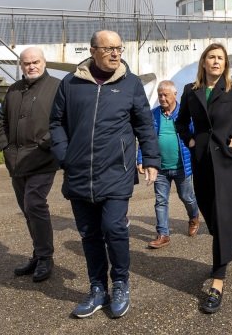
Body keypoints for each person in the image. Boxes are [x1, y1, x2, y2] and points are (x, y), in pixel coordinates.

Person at [49, 30, 159, 320]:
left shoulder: (131, 84)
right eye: (108, 49)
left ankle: (120, 283)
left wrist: (151, 159)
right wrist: (64, 156)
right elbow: (56, 123)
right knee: (89, 234)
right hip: (79, 172)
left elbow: (145, 125)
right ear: (92, 50)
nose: (115, 54)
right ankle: (97, 288)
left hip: (117, 170)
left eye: (119, 49)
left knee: (115, 228)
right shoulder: (71, 83)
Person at [175, 43, 232, 314]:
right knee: (211, 215)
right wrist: (189, 138)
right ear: (203, 62)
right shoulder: (191, 90)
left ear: (225, 64)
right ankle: (226, 246)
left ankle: (218, 279)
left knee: (223, 217)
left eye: (220, 58)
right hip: (202, 162)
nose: (216, 62)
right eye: (211, 57)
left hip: (229, 162)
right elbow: (180, 121)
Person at [0, 46, 61, 283]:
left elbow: (63, 121)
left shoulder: (56, 87)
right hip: (15, 161)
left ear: (44, 62)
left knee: (35, 204)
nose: (31, 66)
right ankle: (38, 253)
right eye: (26, 63)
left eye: (35, 62)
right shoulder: (14, 89)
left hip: (42, 158)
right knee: (27, 208)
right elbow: (2, 117)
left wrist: (46, 144)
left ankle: (46, 258)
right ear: (20, 65)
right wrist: (3, 143)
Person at [136, 80, 201, 249]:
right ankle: (163, 234)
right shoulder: (153, 114)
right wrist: (141, 158)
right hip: (160, 168)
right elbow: (146, 138)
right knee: (161, 201)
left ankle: (194, 216)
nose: (162, 98)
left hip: (182, 167)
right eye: (159, 95)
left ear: (175, 94)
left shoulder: (185, 114)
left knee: (187, 197)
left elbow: (195, 135)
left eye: (165, 95)